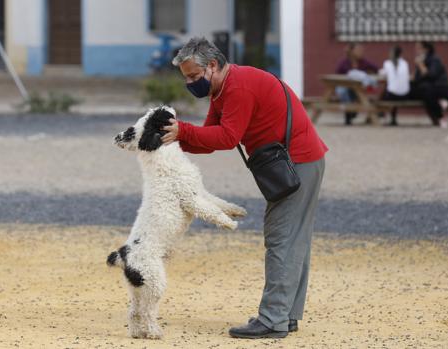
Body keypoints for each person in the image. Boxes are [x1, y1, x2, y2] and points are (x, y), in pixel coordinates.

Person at [160, 37, 328, 339]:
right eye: (186, 77)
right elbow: (210, 140)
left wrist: (182, 130)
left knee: (281, 238)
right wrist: (174, 141)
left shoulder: (238, 87)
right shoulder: (221, 88)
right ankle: (286, 315)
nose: (189, 82)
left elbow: (226, 137)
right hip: (301, 160)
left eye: (193, 76)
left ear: (212, 65)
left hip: (298, 162)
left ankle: (273, 319)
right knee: (294, 240)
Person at [410, 41, 448, 128]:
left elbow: (431, 75)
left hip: (438, 88)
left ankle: (441, 116)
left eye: (419, 48)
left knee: (427, 92)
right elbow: (418, 78)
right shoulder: (421, 60)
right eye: (416, 48)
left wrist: (421, 65)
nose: (417, 51)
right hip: (427, 90)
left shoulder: (434, 59)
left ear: (426, 49)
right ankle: (441, 111)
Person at [335, 43, 378, 125]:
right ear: (351, 52)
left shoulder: (364, 62)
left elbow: (376, 68)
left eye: (361, 50)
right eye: (358, 50)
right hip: (345, 87)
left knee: (359, 93)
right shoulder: (344, 63)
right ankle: (350, 113)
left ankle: (351, 113)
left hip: (358, 88)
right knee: (342, 91)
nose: (361, 52)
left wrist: (367, 73)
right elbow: (337, 75)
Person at [380, 45, 410, 126]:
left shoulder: (387, 63)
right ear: (400, 54)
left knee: (385, 93)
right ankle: (392, 118)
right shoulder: (405, 63)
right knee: (392, 90)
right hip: (405, 95)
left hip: (392, 95)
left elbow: (382, 74)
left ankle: (380, 113)